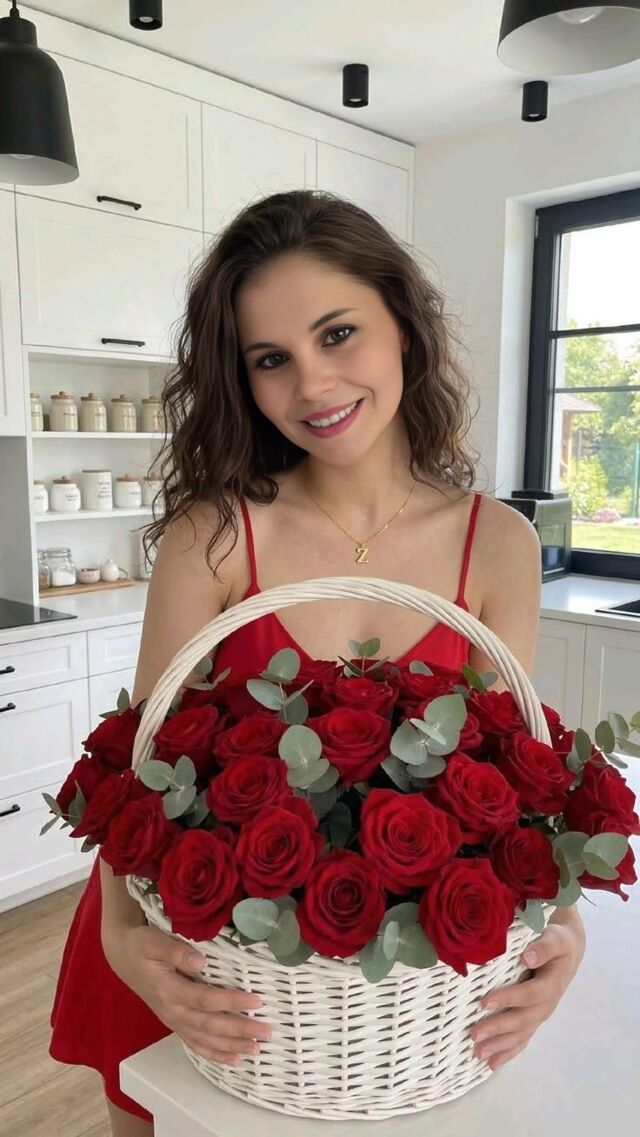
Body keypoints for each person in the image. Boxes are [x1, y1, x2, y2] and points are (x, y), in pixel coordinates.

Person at [49, 189, 586, 1137]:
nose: (312, 385)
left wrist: (565, 930)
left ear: (403, 325)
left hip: (395, 1011)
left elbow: (515, 778)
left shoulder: (497, 543)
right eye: (271, 359)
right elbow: (138, 770)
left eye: (338, 334)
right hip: (199, 969)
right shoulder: (214, 536)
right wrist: (124, 941)